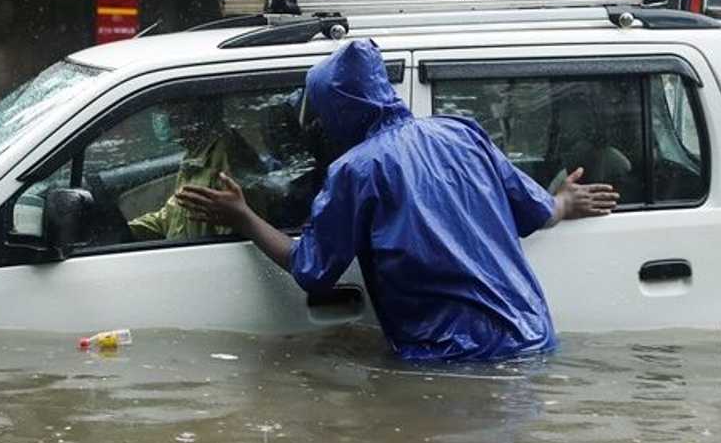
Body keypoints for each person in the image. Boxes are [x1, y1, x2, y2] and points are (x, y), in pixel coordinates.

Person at [175, 39, 619, 361]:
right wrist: (564, 201)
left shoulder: (354, 171)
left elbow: (310, 269)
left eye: (322, 116)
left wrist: (242, 216)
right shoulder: (460, 133)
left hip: (451, 360)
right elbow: (538, 210)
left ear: (337, 112)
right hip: (531, 338)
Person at [127, 99, 274, 241]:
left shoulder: (227, 156)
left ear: (194, 109)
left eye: (170, 106)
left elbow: (233, 235)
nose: (165, 115)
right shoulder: (195, 154)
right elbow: (174, 216)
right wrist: (127, 229)